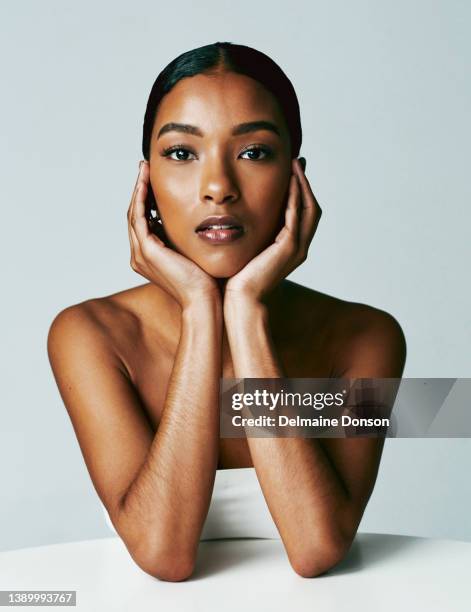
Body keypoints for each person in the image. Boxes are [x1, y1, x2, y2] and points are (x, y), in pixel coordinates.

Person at [47, 42, 407, 582]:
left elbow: (317, 547)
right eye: (182, 153)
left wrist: (244, 313)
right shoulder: (89, 335)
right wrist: (199, 311)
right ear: (146, 182)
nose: (218, 188)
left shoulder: (367, 338)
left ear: (295, 176)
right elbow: (163, 554)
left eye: (254, 152)